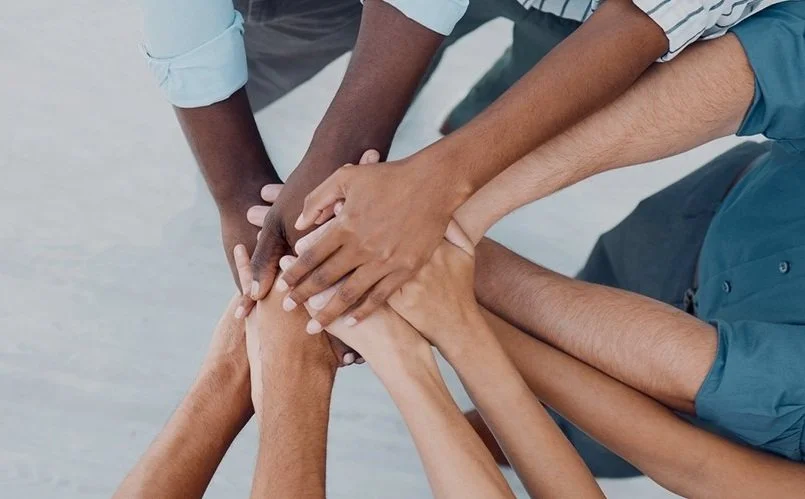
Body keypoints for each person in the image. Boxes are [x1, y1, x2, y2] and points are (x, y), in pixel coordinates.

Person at [251, 0, 805, 482]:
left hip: (722, 411)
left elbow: (709, 445)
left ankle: (498, 435)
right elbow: (772, 65)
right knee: (606, 276)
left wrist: (452, 266)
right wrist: (454, 205)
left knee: (594, 440)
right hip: (718, 215)